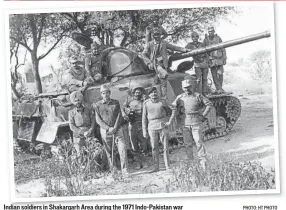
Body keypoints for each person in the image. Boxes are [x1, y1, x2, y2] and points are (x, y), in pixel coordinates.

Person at [172, 78, 213, 169]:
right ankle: (191, 161)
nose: (187, 89)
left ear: (192, 86)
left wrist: (203, 115)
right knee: (187, 144)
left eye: (188, 87)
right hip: (185, 123)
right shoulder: (180, 98)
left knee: (198, 142)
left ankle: (203, 161)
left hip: (196, 122)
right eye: (185, 88)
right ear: (182, 88)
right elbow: (173, 106)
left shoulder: (198, 96)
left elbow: (209, 104)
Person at [143, 27, 191, 98]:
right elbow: (143, 54)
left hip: (164, 64)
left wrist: (184, 49)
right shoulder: (149, 44)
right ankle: (163, 96)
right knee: (164, 75)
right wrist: (149, 62)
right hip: (155, 64)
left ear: (160, 35)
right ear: (152, 36)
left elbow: (174, 47)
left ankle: (164, 96)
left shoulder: (164, 43)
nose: (157, 36)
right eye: (155, 35)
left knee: (163, 80)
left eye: (158, 34)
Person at [93, 84, 129, 176]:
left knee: (122, 149)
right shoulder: (97, 105)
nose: (106, 95)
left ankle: (125, 170)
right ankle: (114, 170)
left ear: (110, 93)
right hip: (105, 131)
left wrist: (115, 127)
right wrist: (108, 128)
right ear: (101, 94)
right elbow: (98, 120)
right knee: (109, 151)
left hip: (117, 129)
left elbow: (119, 116)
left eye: (107, 93)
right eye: (103, 93)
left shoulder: (115, 102)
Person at [142, 87, 176, 173]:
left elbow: (174, 108)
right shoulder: (146, 103)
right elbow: (144, 118)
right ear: (148, 95)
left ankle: (167, 166)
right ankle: (156, 166)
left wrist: (170, 121)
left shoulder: (163, 101)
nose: (154, 94)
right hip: (151, 126)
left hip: (162, 125)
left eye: (155, 92)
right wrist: (144, 130)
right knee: (154, 148)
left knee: (165, 147)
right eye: (151, 93)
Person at [122, 85, 149, 169]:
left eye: (139, 92)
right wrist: (125, 114)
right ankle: (138, 162)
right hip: (132, 124)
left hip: (142, 124)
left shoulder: (145, 100)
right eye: (136, 92)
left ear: (142, 92)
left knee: (143, 145)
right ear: (133, 93)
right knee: (134, 145)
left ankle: (144, 161)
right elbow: (122, 108)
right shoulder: (129, 100)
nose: (138, 94)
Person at [68, 91, 96, 157]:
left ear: (81, 100)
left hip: (89, 134)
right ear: (73, 102)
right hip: (78, 136)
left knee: (91, 153)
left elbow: (93, 122)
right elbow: (72, 126)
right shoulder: (71, 112)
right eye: (75, 101)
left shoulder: (88, 110)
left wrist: (90, 131)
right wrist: (82, 132)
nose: (77, 102)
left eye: (78, 100)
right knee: (80, 154)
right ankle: (81, 167)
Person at [203, 26, 227, 94]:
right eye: (209, 31)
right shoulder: (205, 40)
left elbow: (223, 48)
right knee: (214, 75)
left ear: (214, 31)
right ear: (208, 32)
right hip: (211, 59)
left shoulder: (218, 38)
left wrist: (224, 58)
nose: (211, 32)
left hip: (219, 58)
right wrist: (207, 59)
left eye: (212, 31)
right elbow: (204, 51)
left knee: (220, 74)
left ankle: (220, 88)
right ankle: (218, 88)